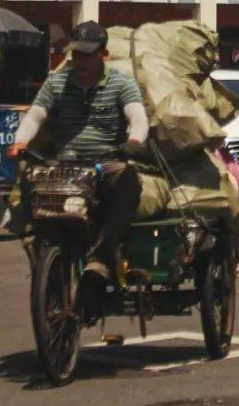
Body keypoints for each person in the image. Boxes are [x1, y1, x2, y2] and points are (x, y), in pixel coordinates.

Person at [8, 22, 148, 287]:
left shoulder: (121, 84)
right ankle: (43, 247)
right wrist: (20, 142)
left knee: (129, 180)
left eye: (88, 54)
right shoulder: (56, 82)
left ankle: (103, 255)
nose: (80, 60)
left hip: (105, 164)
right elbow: (35, 115)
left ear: (103, 55)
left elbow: (138, 119)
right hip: (63, 165)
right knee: (28, 180)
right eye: (76, 54)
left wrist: (134, 140)